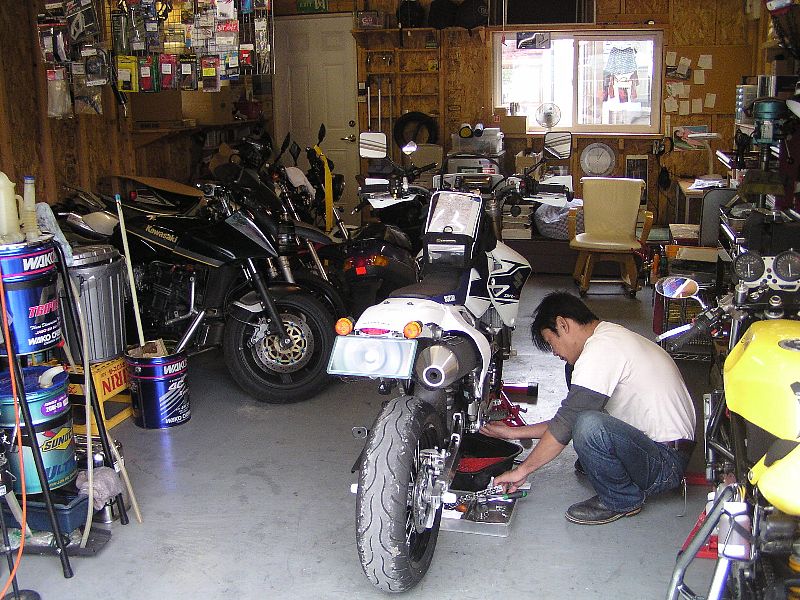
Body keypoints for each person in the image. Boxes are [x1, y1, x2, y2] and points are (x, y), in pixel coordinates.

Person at [480, 291, 696, 525]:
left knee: (587, 424)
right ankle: (605, 461)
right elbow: (567, 417)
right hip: (653, 449)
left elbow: (569, 422)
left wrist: (521, 470)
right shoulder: (610, 337)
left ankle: (621, 499)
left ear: (563, 325)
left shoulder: (601, 349)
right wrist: (512, 433)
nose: (554, 352)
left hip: (665, 464)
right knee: (576, 392)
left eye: (551, 343)